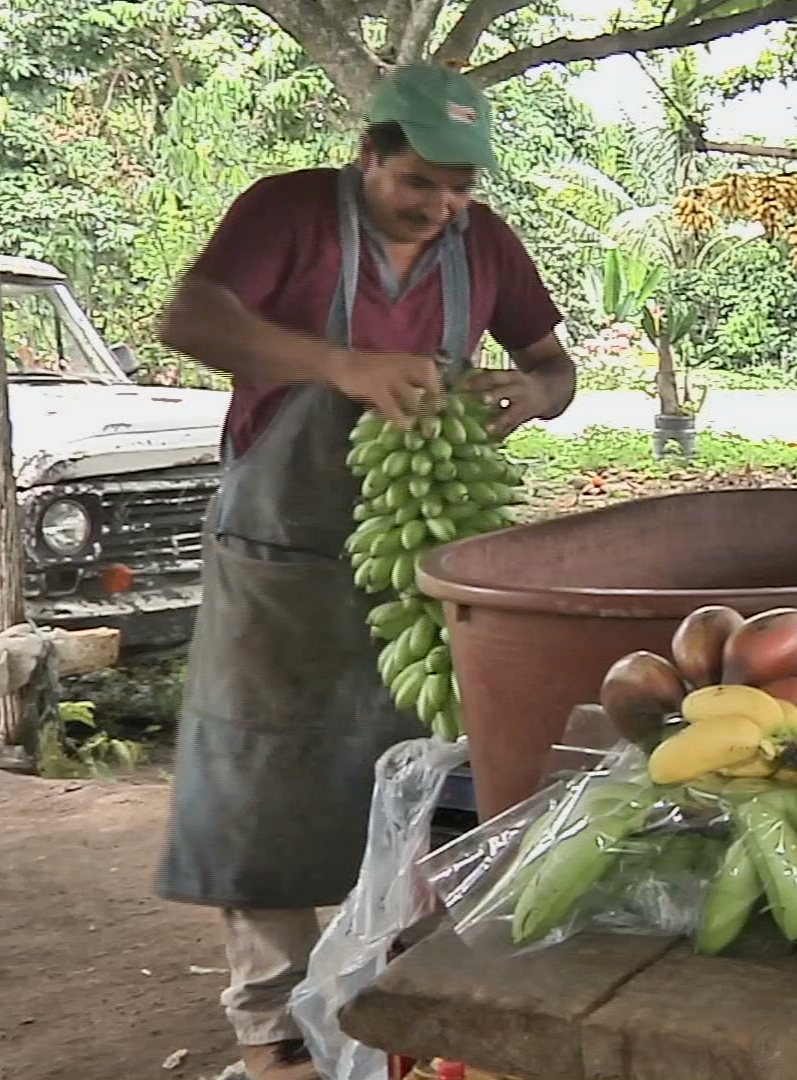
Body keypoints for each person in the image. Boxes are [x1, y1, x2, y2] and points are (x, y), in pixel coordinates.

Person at [154, 63, 575, 1080]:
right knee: (266, 772)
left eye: (461, 187)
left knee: (430, 766)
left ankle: (400, 996)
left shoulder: (486, 244)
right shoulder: (288, 212)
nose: (443, 208)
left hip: (422, 549)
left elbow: (556, 368)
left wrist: (533, 391)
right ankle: (272, 1026)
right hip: (281, 547)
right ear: (369, 154)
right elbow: (189, 321)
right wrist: (341, 365)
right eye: (419, 183)